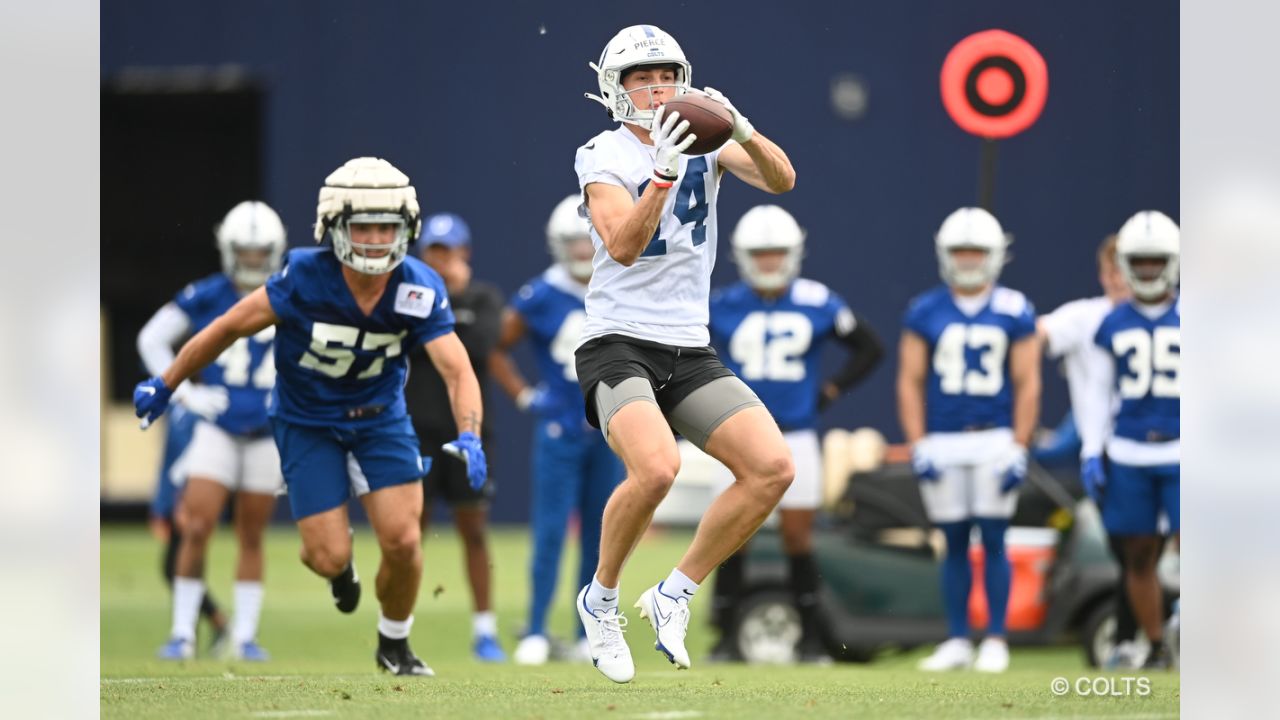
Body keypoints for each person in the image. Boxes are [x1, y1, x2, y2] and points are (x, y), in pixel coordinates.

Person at [133, 157, 488, 677]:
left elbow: (457, 371)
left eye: (385, 226)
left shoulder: (419, 286)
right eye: (362, 225)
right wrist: (167, 383)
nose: (373, 238)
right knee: (325, 556)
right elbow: (228, 327)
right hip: (307, 422)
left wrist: (471, 434)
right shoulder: (303, 276)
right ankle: (339, 571)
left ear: (405, 228)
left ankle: (395, 644)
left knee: (404, 539)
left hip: (379, 419)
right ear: (334, 227)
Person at [573, 24, 797, 683]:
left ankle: (673, 594)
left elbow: (783, 181)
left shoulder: (708, 140)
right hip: (618, 340)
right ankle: (602, 599)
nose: (655, 87)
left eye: (665, 74)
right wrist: (663, 178)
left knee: (772, 469)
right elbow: (621, 245)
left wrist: (743, 128)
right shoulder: (602, 151)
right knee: (657, 469)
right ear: (615, 89)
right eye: (640, 78)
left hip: (687, 344)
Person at [704, 205, 883, 664]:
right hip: (737, 435)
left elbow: (870, 347)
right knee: (732, 537)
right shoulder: (721, 304)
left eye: (776, 253)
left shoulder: (818, 301)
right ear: (744, 256)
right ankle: (725, 638)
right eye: (760, 254)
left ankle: (809, 638)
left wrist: (831, 389)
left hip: (795, 434)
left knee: (798, 539)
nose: (768, 262)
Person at [137, 200, 287, 661]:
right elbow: (152, 337)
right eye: (246, 251)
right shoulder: (208, 293)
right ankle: (183, 632)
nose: (254, 261)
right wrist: (183, 393)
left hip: (266, 431)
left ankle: (243, 636)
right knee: (196, 525)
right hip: (217, 426)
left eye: (262, 252)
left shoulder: (293, 292)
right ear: (228, 249)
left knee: (251, 533)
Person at [897, 207, 1040, 673]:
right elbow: (909, 381)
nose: (969, 260)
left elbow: (1028, 382)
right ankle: (958, 638)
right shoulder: (925, 309)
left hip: (994, 436)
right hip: (943, 438)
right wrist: (918, 443)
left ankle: (995, 638)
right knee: (953, 541)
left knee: (994, 539)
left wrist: (1019, 445)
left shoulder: (1015, 309)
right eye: (961, 251)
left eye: (977, 251)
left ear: (997, 254)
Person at [489, 195, 626, 666]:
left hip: (608, 426)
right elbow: (496, 347)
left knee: (600, 534)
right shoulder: (541, 294)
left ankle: (587, 631)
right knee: (550, 533)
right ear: (557, 245)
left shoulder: (618, 284)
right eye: (573, 242)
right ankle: (535, 627)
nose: (583, 251)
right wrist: (526, 396)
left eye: (587, 240)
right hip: (560, 429)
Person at [1035, 234, 1148, 669]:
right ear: (1102, 273)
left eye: (1128, 267)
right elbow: (1029, 335)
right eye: (1113, 269)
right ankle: (1131, 639)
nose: (1121, 279)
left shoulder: (1174, 316)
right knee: (1132, 550)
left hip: (1167, 449)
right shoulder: (1086, 317)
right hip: (1109, 452)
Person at [1077, 210, 1180, 670]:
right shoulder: (1111, 323)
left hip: (1184, 447)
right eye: (1139, 262)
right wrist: (1091, 449)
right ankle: (1155, 643)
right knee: (1136, 553)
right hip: (1130, 447)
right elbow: (1098, 392)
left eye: (1156, 261)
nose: (1148, 271)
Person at [403, 212, 507, 662]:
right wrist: (443, 307)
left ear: (466, 253)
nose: (443, 262)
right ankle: (397, 629)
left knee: (474, 529)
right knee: (409, 533)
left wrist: (455, 299)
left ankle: (485, 631)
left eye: (451, 252)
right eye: (435, 252)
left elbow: (482, 346)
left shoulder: (482, 296)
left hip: (467, 431)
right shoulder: (408, 296)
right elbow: (408, 343)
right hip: (416, 431)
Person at [146, 403, 230, 656]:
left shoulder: (199, 410)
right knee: (175, 565)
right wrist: (161, 506)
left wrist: (185, 500)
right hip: (174, 495)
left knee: (177, 565)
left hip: (191, 496)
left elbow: (197, 459)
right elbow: (168, 460)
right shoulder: (175, 409)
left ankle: (206, 628)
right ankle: (199, 630)